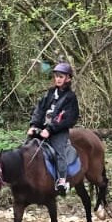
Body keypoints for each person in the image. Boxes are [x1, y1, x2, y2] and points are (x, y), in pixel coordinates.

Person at [27, 61, 79, 194]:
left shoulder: (70, 97)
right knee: (26, 147)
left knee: (59, 152)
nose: (58, 79)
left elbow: (68, 118)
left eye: (61, 77)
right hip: (43, 129)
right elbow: (39, 110)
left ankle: (62, 180)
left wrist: (50, 129)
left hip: (58, 131)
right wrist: (34, 125)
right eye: (56, 76)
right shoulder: (49, 93)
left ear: (68, 78)